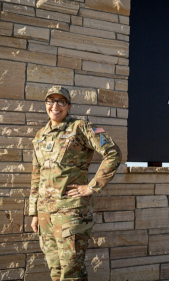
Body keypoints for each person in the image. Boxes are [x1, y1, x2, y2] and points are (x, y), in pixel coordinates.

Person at [29, 86, 122, 281]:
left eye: (61, 102)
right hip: (45, 213)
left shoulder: (82, 127)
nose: (55, 106)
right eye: (50, 101)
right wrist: (35, 212)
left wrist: (92, 186)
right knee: (55, 269)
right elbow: (36, 175)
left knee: (72, 272)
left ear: (68, 106)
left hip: (71, 212)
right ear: (46, 105)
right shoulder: (39, 136)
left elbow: (113, 152)